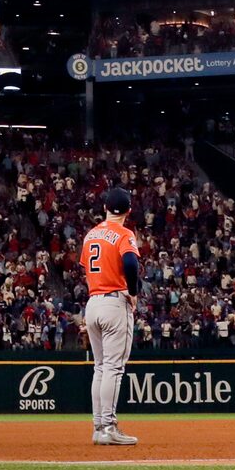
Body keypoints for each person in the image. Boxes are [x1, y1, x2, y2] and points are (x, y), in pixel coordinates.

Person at [81, 185, 141, 447]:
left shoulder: (91, 235)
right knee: (114, 369)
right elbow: (130, 263)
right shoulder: (124, 233)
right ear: (128, 210)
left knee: (100, 368)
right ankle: (109, 427)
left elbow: (87, 268)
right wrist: (134, 291)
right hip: (115, 302)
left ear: (105, 208)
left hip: (93, 302)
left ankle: (97, 427)